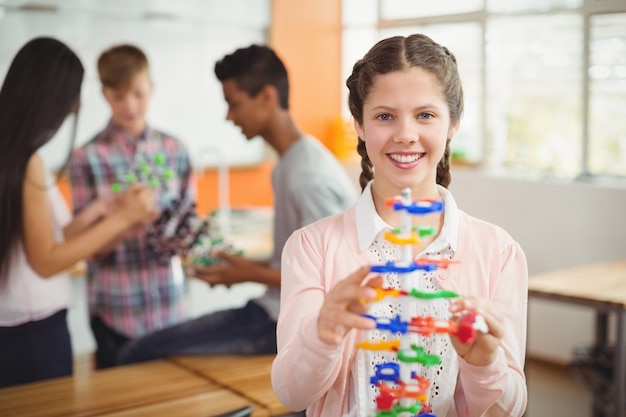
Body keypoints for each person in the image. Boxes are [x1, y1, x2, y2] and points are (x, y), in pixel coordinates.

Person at [271, 34, 528, 417]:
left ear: (452, 123)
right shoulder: (311, 247)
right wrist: (322, 334)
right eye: (385, 116)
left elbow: (513, 406)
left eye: (425, 115)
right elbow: (292, 394)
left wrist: (484, 363)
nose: (405, 134)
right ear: (358, 124)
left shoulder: (500, 252)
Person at [116, 44, 359, 364]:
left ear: (267, 97)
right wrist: (236, 268)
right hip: (272, 310)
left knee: (137, 353)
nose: (229, 116)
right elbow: (298, 263)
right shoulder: (292, 162)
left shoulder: (307, 175)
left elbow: (332, 277)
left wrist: (246, 274)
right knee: (139, 352)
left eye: (234, 104)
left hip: (286, 324)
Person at [0, 37, 155, 388]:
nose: (74, 107)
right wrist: (122, 219)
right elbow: (45, 260)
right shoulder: (28, 163)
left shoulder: (13, 153)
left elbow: (39, 238)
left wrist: (97, 211)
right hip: (32, 335)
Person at [67, 44, 196, 369]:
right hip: (115, 312)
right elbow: (88, 249)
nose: (130, 105)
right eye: (119, 96)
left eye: (138, 93)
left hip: (170, 308)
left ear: (150, 88)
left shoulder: (175, 150)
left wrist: (181, 235)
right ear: (105, 94)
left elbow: (188, 228)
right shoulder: (87, 158)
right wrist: (127, 222)